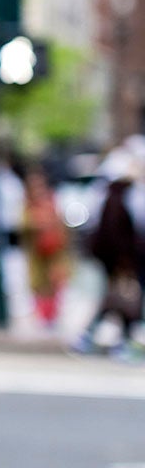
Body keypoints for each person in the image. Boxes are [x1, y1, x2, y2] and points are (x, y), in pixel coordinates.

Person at [70, 149, 145, 361]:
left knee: (117, 299)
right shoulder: (128, 196)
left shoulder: (102, 194)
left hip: (113, 259)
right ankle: (117, 341)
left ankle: (101, 338)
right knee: (124, 299)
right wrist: (126, 260)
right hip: (125, 260)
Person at [19, 167, 68, 328]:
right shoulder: (27, 205)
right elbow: (23, 224)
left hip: (53, 252)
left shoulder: (52, 201)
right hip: (36, 253)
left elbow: (61, 226)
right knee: (38, 286)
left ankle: (51, 317)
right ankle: (42, 316)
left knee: (54, 283)